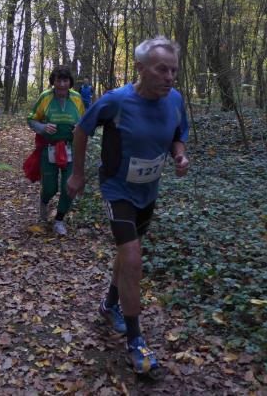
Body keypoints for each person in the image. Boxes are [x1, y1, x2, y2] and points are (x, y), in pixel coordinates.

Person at [67, 36, 190, 374]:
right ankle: (136, 341)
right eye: (162, 69)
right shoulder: (116, 100)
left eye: (174, 70)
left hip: (148, 191)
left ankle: (109, 305)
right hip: (117, 187)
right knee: (133, 258)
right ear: (140, 68)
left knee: (128, 254)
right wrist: (77, 174)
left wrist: (180, 156)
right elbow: (81, 130)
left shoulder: (175, 99)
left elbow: (178, 134)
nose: (169, 77)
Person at [27, 66, 85, 236]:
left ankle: (59, 220)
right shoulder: (45, 97)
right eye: (58, 80)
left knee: (69, 187)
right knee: (50, 188)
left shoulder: (77, 98)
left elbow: (85, 120)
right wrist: (43, 127)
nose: (61, 84)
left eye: (65, 80)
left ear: (70, 82)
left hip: (71, 149)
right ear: (53, 82)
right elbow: (31, 119)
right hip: (49, 148)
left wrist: (79, 127)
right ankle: (44, 200)